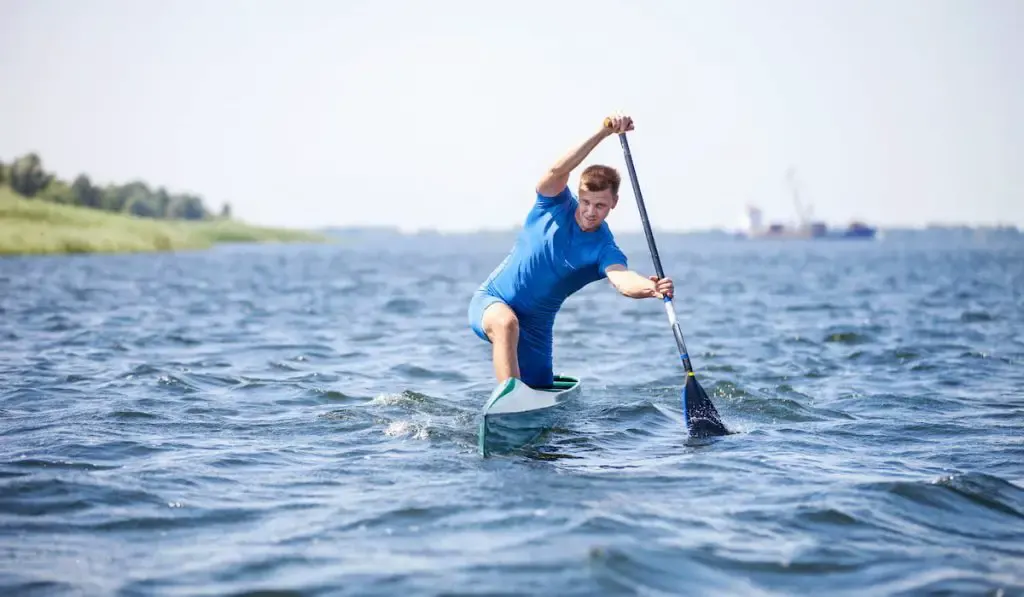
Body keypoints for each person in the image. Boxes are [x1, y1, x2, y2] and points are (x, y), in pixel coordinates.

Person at [467, 114, 675, 389]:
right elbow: (558, 170)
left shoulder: (604, 248)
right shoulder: (552, 202)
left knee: (540, 388)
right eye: (586, 202)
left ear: (614, 202)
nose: (590, 212)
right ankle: (508, 403)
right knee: (507, 324)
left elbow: (623, 280)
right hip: (492, 301)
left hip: (536, 331)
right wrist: (603, 133)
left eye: (600, 205)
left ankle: (521, 404)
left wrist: (652, 288)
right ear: (578, 193)